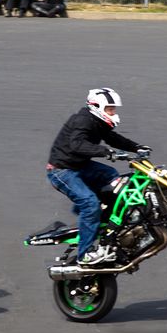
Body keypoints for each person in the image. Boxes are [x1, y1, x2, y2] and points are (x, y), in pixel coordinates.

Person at [46, 89, 151, 267]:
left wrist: (136, 147)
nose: (113, 112)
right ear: (97, 106)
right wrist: (107, 152)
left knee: (110, 176)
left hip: (80, 166)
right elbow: (77, 144)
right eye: (110, 108)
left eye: (114, 109)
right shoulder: (83, 120)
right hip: (61, 171)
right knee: (89, 203)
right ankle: (84, 254)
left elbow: (113, 138)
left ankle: (96, 217)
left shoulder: (98, 122)